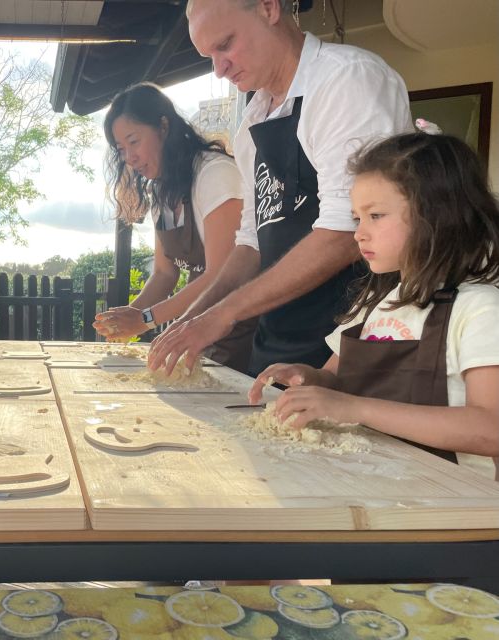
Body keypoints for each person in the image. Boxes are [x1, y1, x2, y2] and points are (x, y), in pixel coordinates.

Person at [148, 0, 413, 377]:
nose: (219, 69)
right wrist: (190, 322)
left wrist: (224, 314)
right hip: (275, 345)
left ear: (269, 8)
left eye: (225, 44)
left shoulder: (347, 80)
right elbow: (251, 242)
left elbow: (346, 232)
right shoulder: (251, 125)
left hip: (351, 348)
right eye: (209, 55)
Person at [247, 132, 499, 463]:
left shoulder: (479, 310)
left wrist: (355, 408)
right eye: (357, 218)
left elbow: (490, 428)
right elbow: (333, 377)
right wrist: (307, 378)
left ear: (436, 214)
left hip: (446, 505)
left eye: (375, 216)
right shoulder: (374, 304)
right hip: (371, 486)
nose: (359, 233)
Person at [93, 82, 256, 371]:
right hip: (198, 330)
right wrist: (128, 317)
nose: (129, 158)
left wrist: (144, 320)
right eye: (121, 149)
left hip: (241, 331)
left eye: (134, 141)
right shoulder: (161, 192)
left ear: (163, 127)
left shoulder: (215, 174)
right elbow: (165, 273)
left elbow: (221, 275)